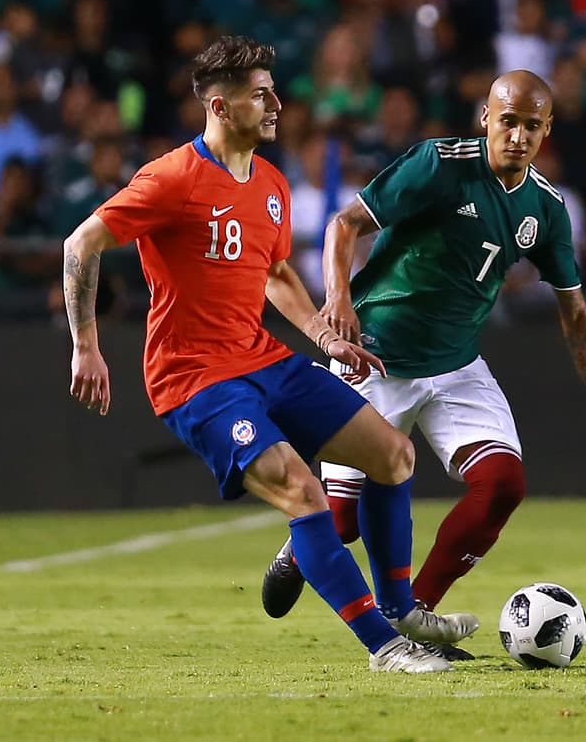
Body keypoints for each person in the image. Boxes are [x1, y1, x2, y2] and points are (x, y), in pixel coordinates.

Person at [61, 36, 477, 673]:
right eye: (262, 95)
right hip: (195, 377)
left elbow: (276, 274)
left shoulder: (274, 184)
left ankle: (402, 610)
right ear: (222, 108)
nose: (278, 103)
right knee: (302, 490)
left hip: (263, 359)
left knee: (393, 456)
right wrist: (86, 346)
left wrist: (327, 337)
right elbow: (80, 244)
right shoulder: (172, 179)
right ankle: (384, 647)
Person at [260, 71, 586, 656]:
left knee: (504, 484)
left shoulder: (546, 209)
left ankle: (416, 615)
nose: (518, 135)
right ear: (485, 117)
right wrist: (337, 298)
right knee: (343, 524)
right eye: (508, 121)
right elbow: (344, 225)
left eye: (532, 126)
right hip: (376, 357)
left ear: (547, 131)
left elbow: (577, 314)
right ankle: (302, 542)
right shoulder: (440, 163)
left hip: (457, 365)